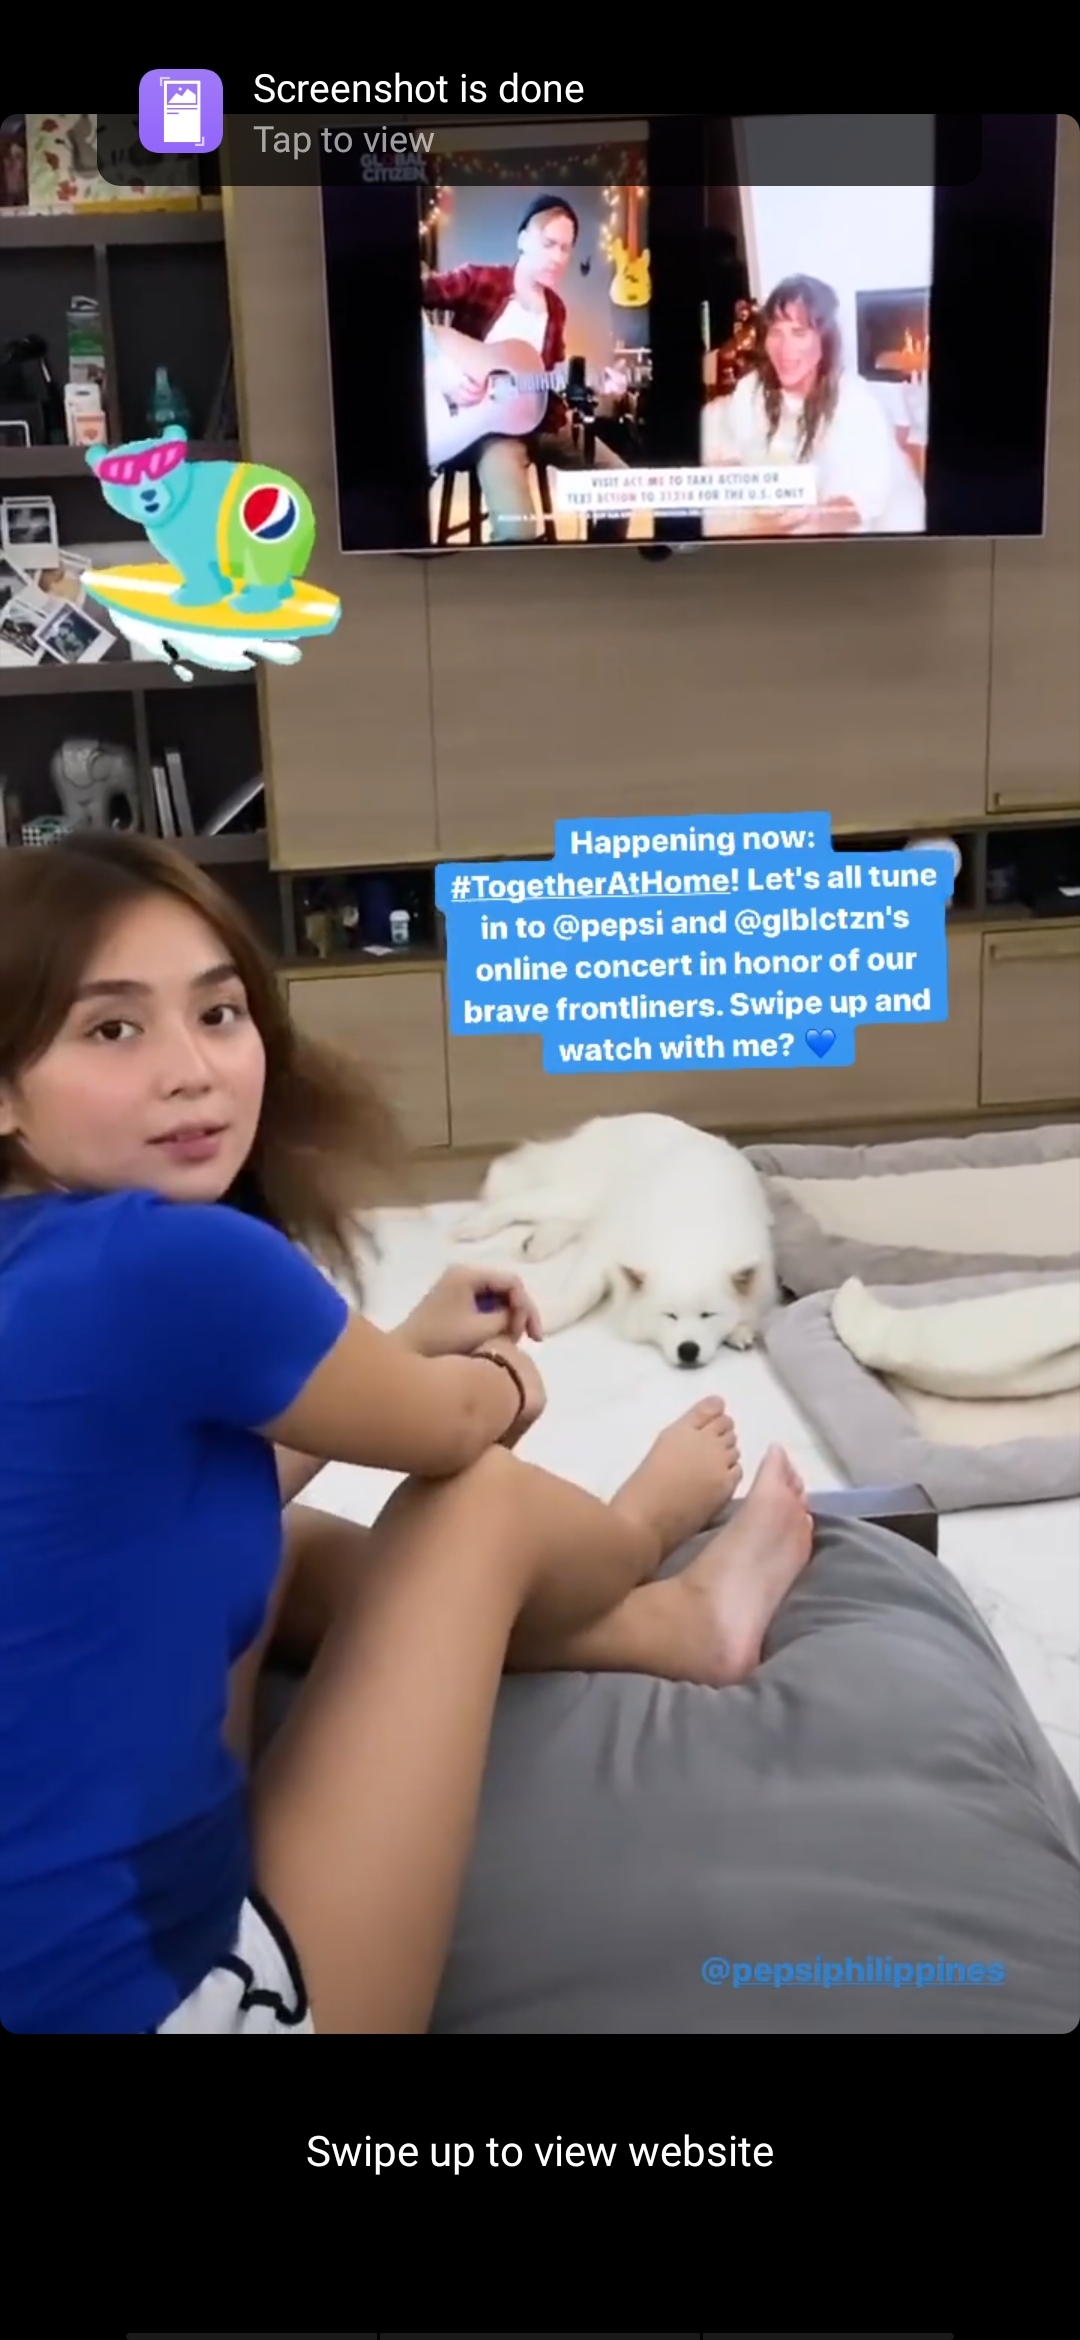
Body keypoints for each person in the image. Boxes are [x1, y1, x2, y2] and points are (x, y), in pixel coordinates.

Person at [0, 831, 814, 2035]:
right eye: (113, 1029)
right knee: (478, 1502)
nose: (194, 1070)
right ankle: (660, 1571)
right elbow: (445, 1435)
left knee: (260, 1534)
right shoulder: (177, 1259)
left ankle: (647, 1624)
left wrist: (394, 1351)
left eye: (219, 1014)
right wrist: (499, 1386)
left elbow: (171, 1487)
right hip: (185, 2012)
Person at [420, 194, 631, 543]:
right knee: (517, 529)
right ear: (522, 240)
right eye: (549, 244)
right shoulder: (480, 279)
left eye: (565, 248)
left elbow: (552, 371)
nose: (558, 257)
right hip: (487, 430)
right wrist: (442, 369)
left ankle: (597, 564)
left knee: (622, 485)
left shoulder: (556, 309)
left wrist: (593, 381)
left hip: (542, 421)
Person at [702, 272, 926, 535]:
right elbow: (734, 460)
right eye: (776, 332)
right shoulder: (750, 390)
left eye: (799, 333)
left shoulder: (856, 403)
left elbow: (857, 506)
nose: (784, 348)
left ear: (824, 340)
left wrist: (807, 522)